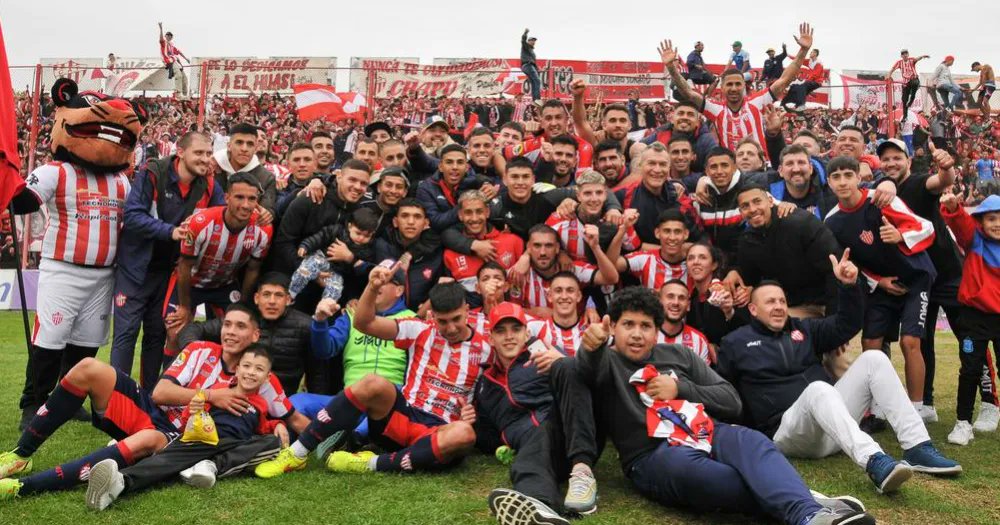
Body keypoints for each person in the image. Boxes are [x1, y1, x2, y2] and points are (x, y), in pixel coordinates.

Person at [577, 286, 873, 525]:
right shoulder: (606, 361)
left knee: (753, 442)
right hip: (654, 453)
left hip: (708, 431)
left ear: (657, 331)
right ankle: (805, 502)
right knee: (717, 478)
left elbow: (730, 400)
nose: (638, 333)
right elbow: (583, 371)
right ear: (612, 326)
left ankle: (808, 515)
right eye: (628, 324)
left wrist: (681, 387)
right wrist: (590, 348)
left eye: (646, 326)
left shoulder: (679, 355)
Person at [0, 304, 304, 497]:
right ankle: (21, 455)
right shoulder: (200, 350)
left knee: (147, 438)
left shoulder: (263, 378)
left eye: (240, 327)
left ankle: (23, 488)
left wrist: (290, 429)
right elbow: (160, 394)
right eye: (227, 325)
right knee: (87, 369)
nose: (231, 332)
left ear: (254, 334)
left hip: (176, 438)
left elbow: (288, 417)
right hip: (152, 410)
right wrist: (212, 395)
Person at [717, 264, 961, 494]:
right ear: (752, 309)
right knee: (818, 389)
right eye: (770, 302)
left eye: (782, 300)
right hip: (789, 433)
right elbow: (724, 392)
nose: (779, 306)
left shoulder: (803, 329)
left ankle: (917, 446)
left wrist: (848, 286)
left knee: (874, 358)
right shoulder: (735, 343)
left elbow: (847, 325)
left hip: (834, 428)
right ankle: (874, 461)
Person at [254, 277, 487, 478]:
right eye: (443, 321)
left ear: (467, 309)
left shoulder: (487, 343)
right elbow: (364, 323)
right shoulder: (421, 328)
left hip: (441, 430)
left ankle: (368, 463)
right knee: (373, 381)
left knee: (464, 433)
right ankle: (297, 454)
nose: (451, 328)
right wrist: (372, 287)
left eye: (456, 319)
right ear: (432, 316)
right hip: (404, 417)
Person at [83, 346, 287, 511]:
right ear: (238, 369)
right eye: (247, 366)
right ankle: (120, 481)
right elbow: (191, 418)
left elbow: (262, 428)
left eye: (259, 369)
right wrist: (195, 407)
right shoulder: (219, 391)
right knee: (169, 460)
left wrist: (277, 424)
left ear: (267, 377)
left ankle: (210, 465)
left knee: (271, 443)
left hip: (233, 445)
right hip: (205, 438)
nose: (251, 372)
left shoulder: (261, 404)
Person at [111, 131, 223, 391]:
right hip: (136, 270)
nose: (205, 159)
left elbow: (220, 218)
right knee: (126, 335)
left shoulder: (209, 185)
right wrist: (170, 231)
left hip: (171, 273)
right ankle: (116, 402)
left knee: (157, 335)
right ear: (180, 152)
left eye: (208, 153)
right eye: (199, 153)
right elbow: (133, 215)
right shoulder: (153, 173)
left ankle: (149, 400)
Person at [823, 155, 936, 407]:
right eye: (836, 177)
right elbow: (848, 263)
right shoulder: (831, 222)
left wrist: (900, 235)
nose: (843, 182)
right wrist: (879, 281)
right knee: (871, 345)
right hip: (882, 285)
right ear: (829, 183)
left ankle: (916, 410)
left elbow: (927, 228)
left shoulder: (881, 199)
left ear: (859, 177)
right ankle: (878, 406)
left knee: (910, 341)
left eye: (848, 175)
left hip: (915, 278)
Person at [481, 302, 600, 524]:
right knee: (528, 454)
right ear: (490, 338)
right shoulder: (484, 384)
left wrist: (562, 361)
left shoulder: (543, 354)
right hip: (534, 450)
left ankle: (577, 475)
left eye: (515, 329)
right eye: (500, 331)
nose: (509, 336)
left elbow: (583, 385)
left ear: (527, 333)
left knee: (567, 368)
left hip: (571, 434)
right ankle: (541, 515)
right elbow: (487, 434)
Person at [879, 138, 960, 422]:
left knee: (970, 338)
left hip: (949, 274)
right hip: (918, 277)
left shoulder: (918, 183)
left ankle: (988, 401)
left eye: (896, 158)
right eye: (885, 159)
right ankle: (926, 404)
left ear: (909, 161)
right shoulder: (881, 191)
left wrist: (947, 167)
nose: (891, 163)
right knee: (921, 342)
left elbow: (941, 180)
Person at [661, 23, 814, 160]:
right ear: (722, 87)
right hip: (731, 175)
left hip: (761, 170)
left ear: (744, 86)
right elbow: (688, 93)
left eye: (737, 84)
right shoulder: (716, 110)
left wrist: (803, 50)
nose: (734, 88)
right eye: (729, 84)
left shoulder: (757, 102)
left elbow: (784, 80)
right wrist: (671, 68)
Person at [162, 173, 272, 360]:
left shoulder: (263, 229)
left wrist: (242, 304)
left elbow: (253, 269)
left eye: (252, 199)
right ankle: (168, 383)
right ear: (227, 197)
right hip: (190, 283)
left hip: (224, 285)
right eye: (239, 197)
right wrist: (185, 307)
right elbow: (184, 266)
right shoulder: (201, 223)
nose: (246, 205)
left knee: (238, 332)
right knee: (175, 331)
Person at [291, 268, 415, 422]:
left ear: (399, 290)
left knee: (367, 425)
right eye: (374, 280)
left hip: (388, 403)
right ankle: (317, 440)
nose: (376, 284)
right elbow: (324, 350)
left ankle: (332, 438)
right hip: (349, 398)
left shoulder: (413, 321)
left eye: (384, 281)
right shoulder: (351, 315)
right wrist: (320, 321)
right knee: (294, 404)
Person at [177, 273, 314, 397]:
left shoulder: (306, 325)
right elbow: (193, 329)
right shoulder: (241, 319)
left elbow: (317, 370)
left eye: (278, 295)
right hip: (238, 392)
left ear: (289, 300)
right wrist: (196, 352)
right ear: (256, 298)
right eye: (266, 294)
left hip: (284, 398)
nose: (272, 301)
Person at [940, 193, 1000, 443]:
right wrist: (953, 207)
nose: (996, 224)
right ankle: (963, 424)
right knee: (970, 370)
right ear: (981, 222)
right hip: (974, 318)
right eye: (991, 218)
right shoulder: (974, 240)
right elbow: (960, 223)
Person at [735, 184, 842, 315]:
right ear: (740, 212)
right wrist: (734, 273)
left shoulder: (800, 223)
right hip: (791, 305)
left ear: (769, 201)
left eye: (757, 202)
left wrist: (833, 321)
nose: (752, 209)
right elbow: (751, 281)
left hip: (827, 303)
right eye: (745, 206)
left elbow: (835, 269)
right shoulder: (747, 240)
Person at [510, 225, 619, 317]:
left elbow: (611, 278)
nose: (543, 252)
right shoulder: (519, 272)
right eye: (537, 246)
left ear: (557, 248)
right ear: (528, 247)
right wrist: (535, 312)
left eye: (549, 246)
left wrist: (595, 247)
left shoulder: (571, 268)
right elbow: (508, 310)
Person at [290, 207, 378, 302]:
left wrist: (350, 258)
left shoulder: (367, 250)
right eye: (358, 233)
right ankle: (291, 294)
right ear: (350, 226)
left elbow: (357, 271)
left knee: (336, 289)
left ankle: (323, 312)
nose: (361, 238)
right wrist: (306, 245)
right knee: (307, 268)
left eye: (366, 236)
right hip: (322, 258)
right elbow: (320, 237)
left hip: (337, 272)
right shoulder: (337, 231)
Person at [443, 190, 524, 292]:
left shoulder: (513, 242)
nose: (474, 218)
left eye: (479, 211)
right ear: (460, 215)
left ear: (487, 212)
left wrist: (528, 255)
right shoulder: (450, 254)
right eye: (468, 212)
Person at [213, 123, 277, 219]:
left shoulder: (267, 178)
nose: (244, 149)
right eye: (239, 142)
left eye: (250, 144)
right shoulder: (212, 167)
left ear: (255, 148)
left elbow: (266, 210)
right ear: (229, 146)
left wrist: (267, 214)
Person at [617, 209, 690, 290]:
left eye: (677, 232)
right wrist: (623, 229)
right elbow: (611, 266)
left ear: (686, 234)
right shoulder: (645, 259)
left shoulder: (696, 260)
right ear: (657, 233)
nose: (672, 237)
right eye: (667, 231)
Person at [657, 280, 713, 364]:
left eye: (681, 298)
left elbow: (703, 377)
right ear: (659, 302)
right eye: (670, 296)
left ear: (688, 305)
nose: (676, 302)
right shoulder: (644, 335)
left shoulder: (699, 341)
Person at [889, 50, 929, 120]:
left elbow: (917, 59)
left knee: (914, 84)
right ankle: (905, 116)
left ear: (908, 55)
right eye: (903, 54)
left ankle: (911, 99)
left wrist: (922, 56)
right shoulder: (899, 63)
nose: (905, 55)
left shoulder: (911, 60)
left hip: (914, 79)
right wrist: (889, 75)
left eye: (906, 54)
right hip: (905, 83)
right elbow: (892, 69)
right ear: (901, 56)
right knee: (904, 99)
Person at [157, 22, 189, 94]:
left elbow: (179, 52)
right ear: (165, 36)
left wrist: (186, 59)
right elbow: (161, 39)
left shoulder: (171, 45)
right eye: (167, 35)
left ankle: (185, 95)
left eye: (170, 35)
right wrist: (161, 29)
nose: (169, 36)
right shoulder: (164, 43)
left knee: (185, 78)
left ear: (172, 37)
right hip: (169, 61)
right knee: (179, 75)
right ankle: (178, 92)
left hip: (175, 62)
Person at [520, 29, 541, 101]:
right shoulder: (526, 46)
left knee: (534, 82)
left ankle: (535, 100)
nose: (533, 41)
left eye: (534, 40)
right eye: (532, 40)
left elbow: (533, 62)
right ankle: (537, 99)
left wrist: (537, 69)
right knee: (537, 81)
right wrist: (525, 33)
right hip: (527, 65)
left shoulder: (531, 51)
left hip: (529, 66)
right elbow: (523, 40)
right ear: (528, 41)